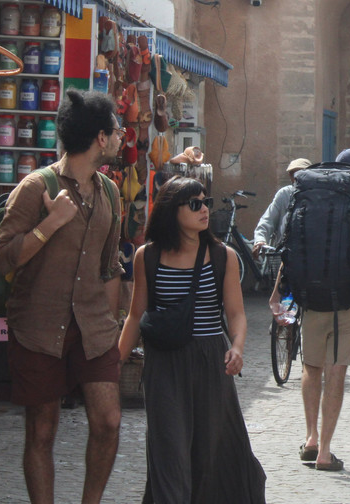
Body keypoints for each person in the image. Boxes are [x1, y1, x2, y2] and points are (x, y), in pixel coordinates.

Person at [0, 89, 124, 504]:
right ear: (101, 138)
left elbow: (109, 267)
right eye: (117, 131)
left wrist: (116, 325)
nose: (121, 138)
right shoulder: (36, 187)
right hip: (39, 326)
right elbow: (2, 258)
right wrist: (50, 225)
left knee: (108, 421)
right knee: (42, 429)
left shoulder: (110, 193)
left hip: (94, 329)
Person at [117, 177, 266, 503]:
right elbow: (135, 314)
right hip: (164, 364)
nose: (204, 210)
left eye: (206, 202)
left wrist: (237, 348)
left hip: (210, 362)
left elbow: (236, 314)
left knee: (210, 454)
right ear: (173, 210)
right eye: (195, 203)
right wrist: (113, 365)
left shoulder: (223, 256)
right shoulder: (148, 256)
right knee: (169, 451)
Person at [283, 147, 350, 472]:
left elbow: (289, 250)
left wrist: (280, 295)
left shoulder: (303, 201)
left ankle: (311, 437)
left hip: (312, 301)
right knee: (336, 371)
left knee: (311, 368)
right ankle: (326, 451)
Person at [251, 157, 311, 254]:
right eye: (293, 174)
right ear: (290, 176)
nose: (297, 177)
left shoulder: (317, 196)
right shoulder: (285, 194)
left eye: (302, 173)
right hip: (284, 253)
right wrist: (260, 240)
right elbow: (267, 220)